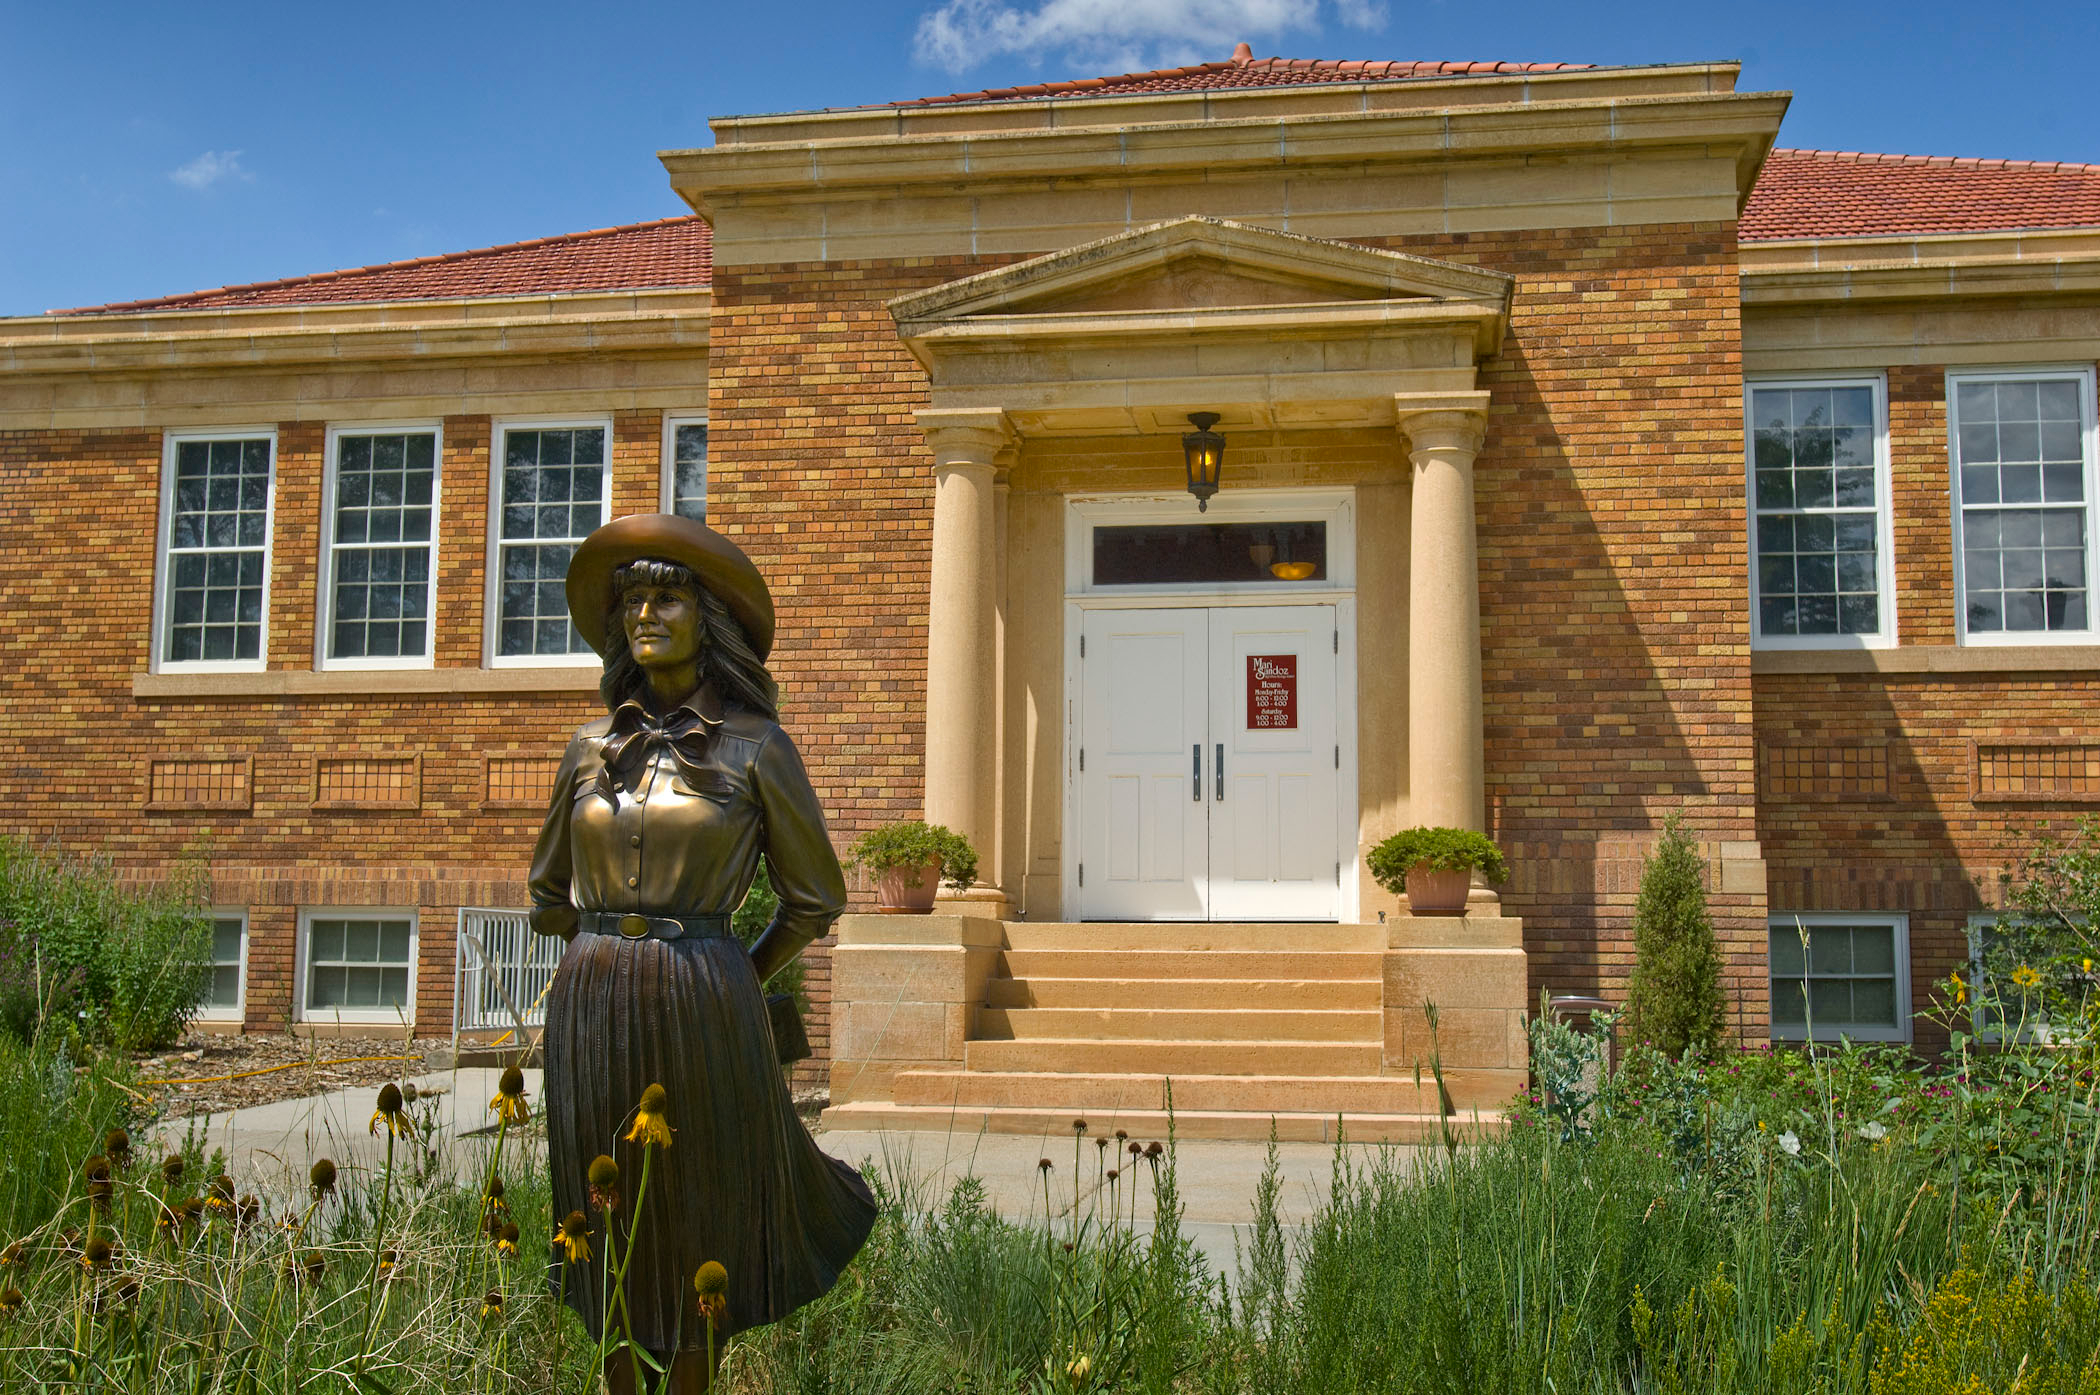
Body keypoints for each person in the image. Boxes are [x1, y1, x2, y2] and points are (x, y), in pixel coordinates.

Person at [529, 513, 875, 1393]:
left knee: (698, 1198)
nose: (645, 612)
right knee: (597, 1203)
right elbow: (544, 894)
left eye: (667, 596)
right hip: (592, 999)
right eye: (632, 599)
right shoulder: (587, 749)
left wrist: (732, 973)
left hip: (707, 995)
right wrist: (603, 961)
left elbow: (815, 897)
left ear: (707, 616)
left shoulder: (757, 747)